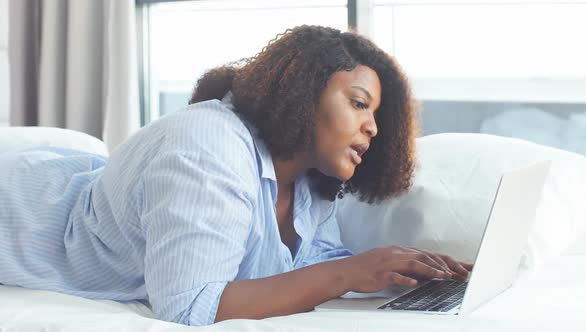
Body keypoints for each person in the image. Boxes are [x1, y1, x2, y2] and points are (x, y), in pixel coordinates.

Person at [0, 25, 472, 326]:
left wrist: (400, 272)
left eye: (376, 115)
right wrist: (349, 272)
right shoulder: (208, 146)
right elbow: (190, 308)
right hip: (20, 210)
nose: (372, 126)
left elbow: (310, 265)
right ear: (303, 93)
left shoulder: (311, 182)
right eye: (358, 103)